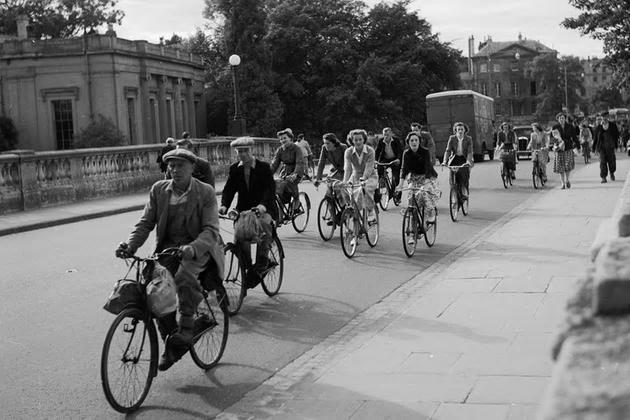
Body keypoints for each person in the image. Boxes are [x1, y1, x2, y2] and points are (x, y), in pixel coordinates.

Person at [115, 148, 224, 371]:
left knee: (184, 277)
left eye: (180, 165)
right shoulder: (159, 190)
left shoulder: (205, 192)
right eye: (171, 166)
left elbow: (211, 230)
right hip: (167, 250)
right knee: (152, 288)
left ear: (192, 167)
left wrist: (192, 248)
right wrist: (130, 245)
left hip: (198, 249)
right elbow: (145, 223)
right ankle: (170, 338)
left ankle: (185, 329)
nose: (174, 170)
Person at [219, 137, 277, 290]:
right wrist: (224, 205)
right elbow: (229, 189)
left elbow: (270, 190)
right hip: (244, 209)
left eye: (246, 151)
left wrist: (263, 206)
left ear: (252, 151)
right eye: (240, 152)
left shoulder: (264, 167)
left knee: (264, 225)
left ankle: (262, 261)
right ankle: (246, 267)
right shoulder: (234, 168)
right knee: (240, 235)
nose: (243, 154)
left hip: (264, 207)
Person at [396, 131, 440, 225]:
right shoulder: (406, 153)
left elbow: (428, 167)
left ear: (419, 141)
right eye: (412, 140)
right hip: (414, 177)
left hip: (428, 177)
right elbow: (403, 169)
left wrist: (427, 181)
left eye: (416, 140)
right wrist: (400, 184)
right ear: (408, 142)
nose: (414, 142)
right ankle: (413, 231)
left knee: (424, 193)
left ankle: (431, 212)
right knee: (412, 198)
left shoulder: (425, 151)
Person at [342, 129, 378, 217]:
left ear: (364, 140)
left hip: (370, 176)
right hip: (355, 175)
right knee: (344, 189)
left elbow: (369, 167)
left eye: (360, 139)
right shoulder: (348, 152)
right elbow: (348, 168)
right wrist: (345, 181)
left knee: (364, 189)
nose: (358, 142)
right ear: (352, 141)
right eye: (355, 140)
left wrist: (364, 178)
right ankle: (351, 208)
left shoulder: (370, 151)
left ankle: (370, 210)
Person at [270, 128, 305, 215]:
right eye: (281, 139)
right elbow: (274, 164)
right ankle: (281, 212)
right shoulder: (280, 150)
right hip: (285, 171)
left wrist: (295, 174)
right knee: (278, 186)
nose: (283, 140)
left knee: (290, 182)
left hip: (296, 170)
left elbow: (299, 162)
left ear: (290, 138)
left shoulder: (297, 148)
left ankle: (297, 200)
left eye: (285, 138)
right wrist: (267, 174)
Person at [442, 122, 473, 198]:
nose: (460, 131)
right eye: (458, 129)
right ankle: (453, 190)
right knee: (452, 175)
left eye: (462, 129)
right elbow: (448, 150)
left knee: (464, 175)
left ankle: (464, 192)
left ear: (465, 130)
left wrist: (468, 161)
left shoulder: (468, 139)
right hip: (455, 158)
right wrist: (444, 161)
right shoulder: (452, 138)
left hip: (465, 158)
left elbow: (470, 151)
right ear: (455, 130)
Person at [552, 112, 577, 188]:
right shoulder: (555, 127)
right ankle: (562, 183)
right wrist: (556, 142)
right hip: (559, 148)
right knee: (560, 167)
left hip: (568, 147)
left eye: (563, 118)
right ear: (558, 119)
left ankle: (567, 180)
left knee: (567, 166)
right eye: (560, 118)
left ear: (565, 118)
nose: (561, 119)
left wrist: (577, 146)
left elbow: (574, 137)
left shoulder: (570, 126)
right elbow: (552, 138)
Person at [375, 127, 403, 194]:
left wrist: (398, 159)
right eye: (384, 134)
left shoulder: (396, 140)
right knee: (379, 167)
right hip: (385, 159)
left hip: (395, 159)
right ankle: (383, 183)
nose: (386, 136)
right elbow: (377, 151)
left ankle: (398, 195)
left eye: (387, 134)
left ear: (391, 134)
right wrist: (376, 161)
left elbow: (400, 151)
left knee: (395, 178)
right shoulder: (381, 141)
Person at [594, 112, 619, 183]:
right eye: (603, 117)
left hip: (610, 147)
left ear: (608, 117)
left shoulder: (613, 125)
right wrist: (594, 148)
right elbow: (596, 138)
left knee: (612, 162)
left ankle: (612, 173)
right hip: (601, 148)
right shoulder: (599, 127)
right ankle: (603, 177)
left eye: (606, 117)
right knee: (602, 162)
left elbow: (616, 136)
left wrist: (616, 145)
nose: (604, 118)